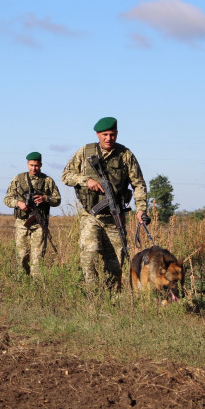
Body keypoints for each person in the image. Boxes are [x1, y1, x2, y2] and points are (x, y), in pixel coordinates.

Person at [62, 117, 147, 288]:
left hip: (115, 218)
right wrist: (86, 181)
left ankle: (112, 299)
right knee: (89, 255)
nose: (109, 138)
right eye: (105, 134)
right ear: (97, 134)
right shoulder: (85, 152)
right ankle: (93, 295)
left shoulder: (125, 155)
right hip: (90, 216)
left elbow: (138, 183)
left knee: (116, 263)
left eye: (112, 134)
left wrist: (141, 209)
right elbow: (66, 176)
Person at [3, 151, 61, 277]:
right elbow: (7, 199)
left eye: (36, 165)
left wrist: (45, 199)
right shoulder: (18, 179)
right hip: (22, 224)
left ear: (41, 165)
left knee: (38, 258)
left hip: (39, 224)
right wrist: (19, 203)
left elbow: (57, 200)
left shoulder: (47, 181)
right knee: (22, 256)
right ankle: (23, 284)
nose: (34, 168)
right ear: (27, 164)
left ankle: (37, 287)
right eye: (31, 165)